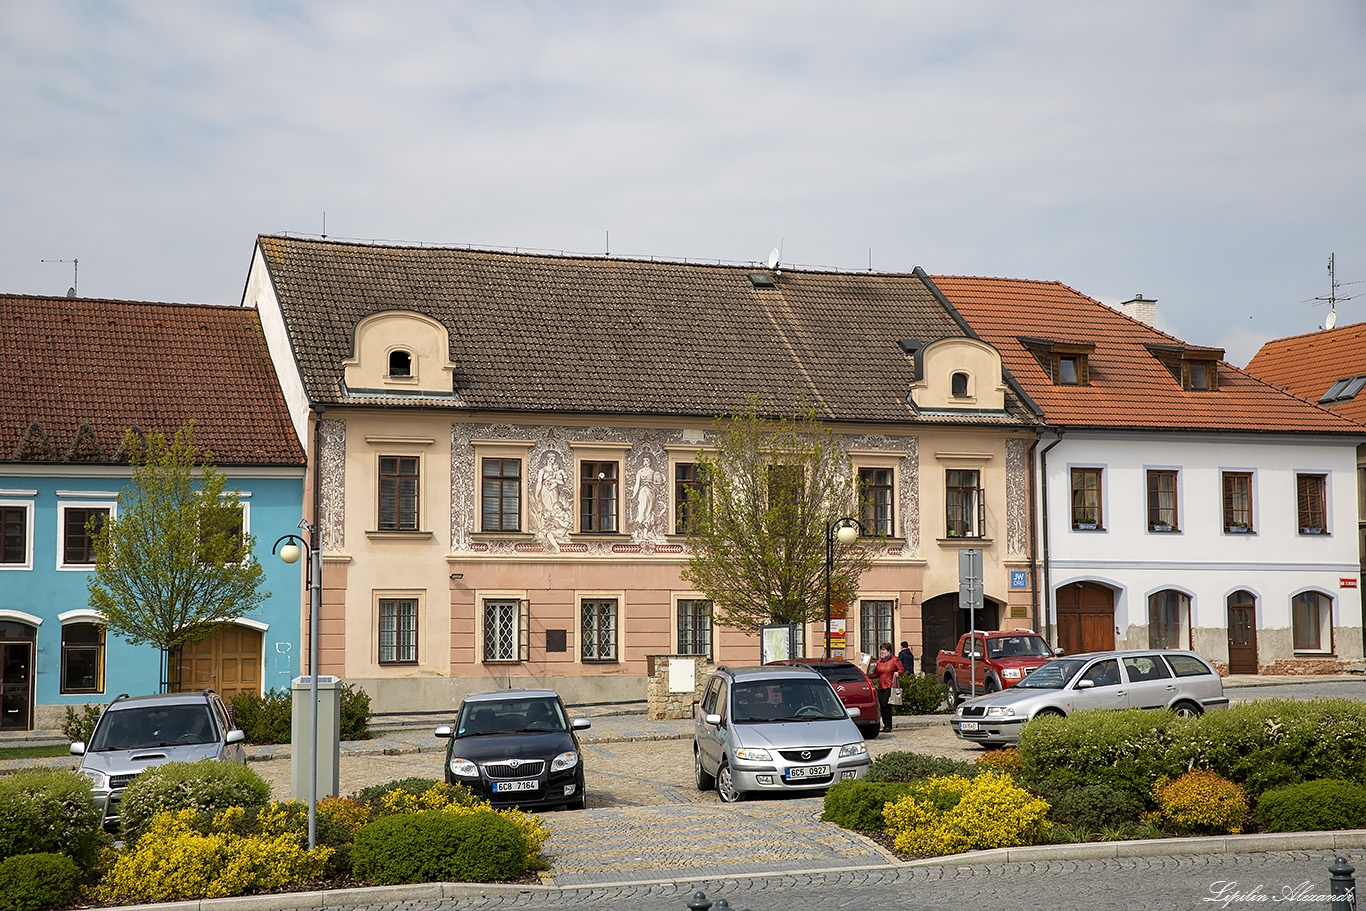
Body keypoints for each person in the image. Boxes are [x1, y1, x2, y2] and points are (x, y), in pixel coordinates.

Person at [872, 642, 904, 733]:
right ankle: (885, 725)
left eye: (884, 650)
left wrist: (898, 673)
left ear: (889, 651)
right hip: (881, 685)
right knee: (881, 706)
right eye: (881, 650)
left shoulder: (895, 660)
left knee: (886, 705)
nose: (882, 652)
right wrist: (867, 675)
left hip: (890, 685)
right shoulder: (879, 661)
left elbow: (901, 669)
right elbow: (876, 674)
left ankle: (888, 726)